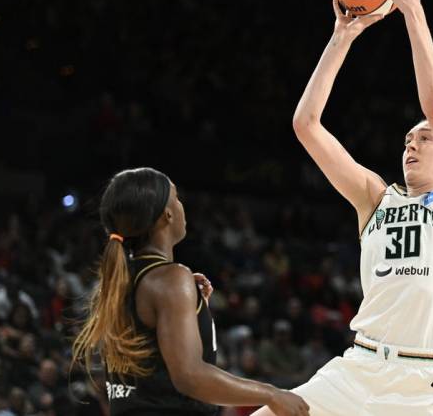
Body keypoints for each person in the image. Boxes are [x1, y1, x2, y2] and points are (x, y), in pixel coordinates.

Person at [255, 0, 433, 414]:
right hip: (358, 367)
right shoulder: (375, 198)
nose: (411, 145)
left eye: (425, 139)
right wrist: (342, 37)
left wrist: (413, 13)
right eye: (406, 142)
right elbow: (306, 125)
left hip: (426, 381)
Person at [70, 167, 309, 416]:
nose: (182, 205)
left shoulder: (123, 280)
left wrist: (188, 304)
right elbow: (189, 376)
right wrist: (271, 393)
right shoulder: (170, 280)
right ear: (167, 214)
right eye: (177, 198)